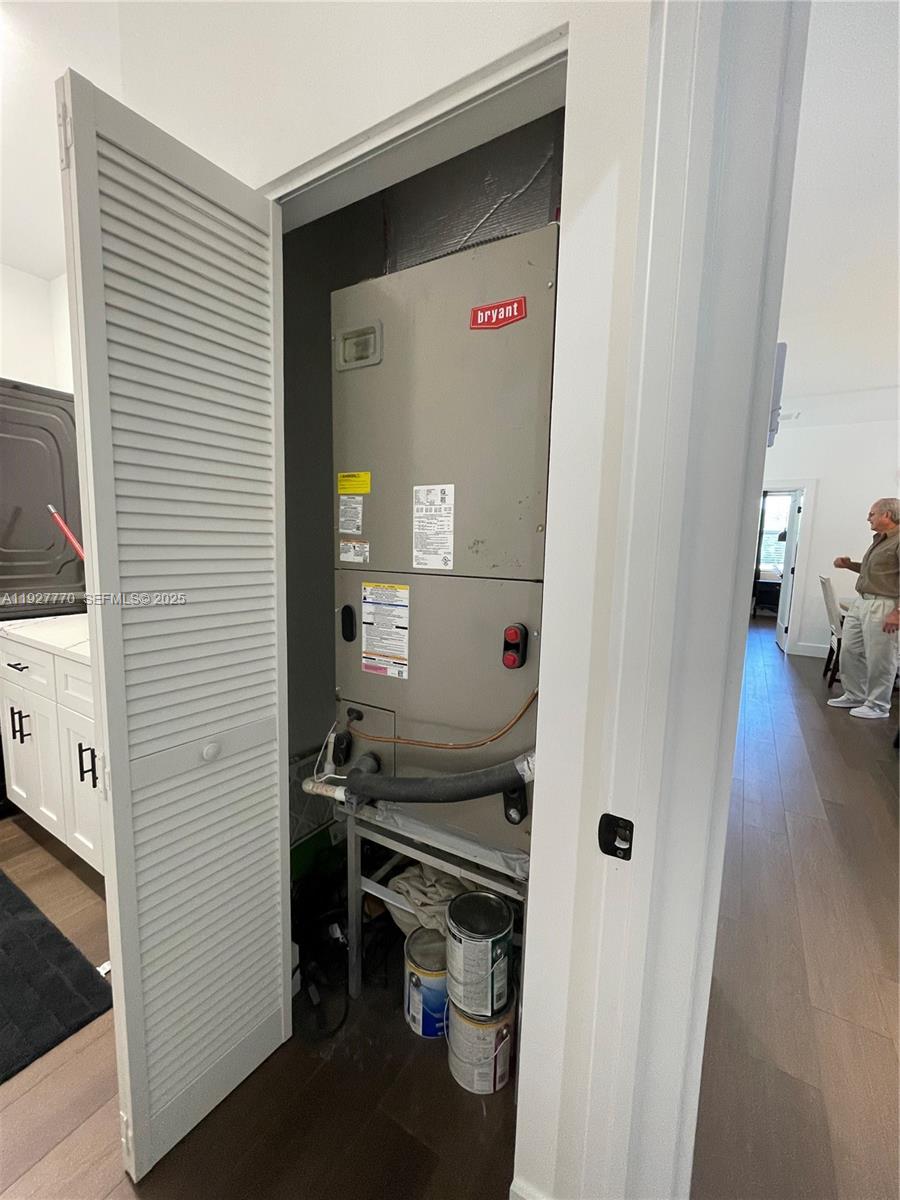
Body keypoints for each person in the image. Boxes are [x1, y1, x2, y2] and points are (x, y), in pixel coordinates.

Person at [828, 497, 900, 718]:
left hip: (885, 604)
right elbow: (877, 573)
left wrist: (898, 612)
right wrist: (849, 565)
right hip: (862, 601)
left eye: (872, 514)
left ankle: (878, 705)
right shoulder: (880, 539)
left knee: (881, 657)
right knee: (850, 650)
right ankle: (855, 695)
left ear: (887, 515)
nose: (868, 518)